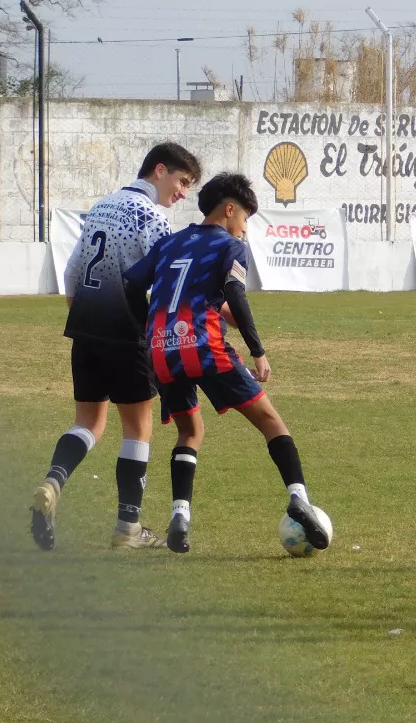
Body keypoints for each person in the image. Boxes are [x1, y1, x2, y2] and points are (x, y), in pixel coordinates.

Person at [122, 172, 330, 555]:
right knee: (272, 423)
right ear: (230, 210)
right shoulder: (228, 245)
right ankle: (298, 497)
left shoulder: (170, 243)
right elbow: (235, 291)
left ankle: (180, 515)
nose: (246, 228)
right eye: (246, 218)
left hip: (161, 352)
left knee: (190, 433)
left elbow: (132, 282)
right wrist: (257, 349)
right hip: (204, 348)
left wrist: (149, 327)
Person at [30, 142, 202, 551]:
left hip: (85, 330)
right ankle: (128, 528)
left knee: (88, 422)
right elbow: (168, 284)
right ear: (159, 171)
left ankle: (53, 482)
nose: (182, 193)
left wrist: (89, 314)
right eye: (181, 182)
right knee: (137, 427)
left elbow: (71, 271)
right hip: (126, 334)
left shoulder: (104, 205)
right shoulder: (152, 216)